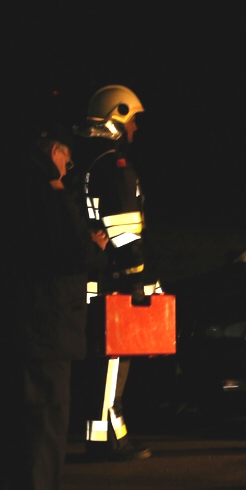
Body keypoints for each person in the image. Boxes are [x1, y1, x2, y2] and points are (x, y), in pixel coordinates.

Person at [0, 135, 106, 490]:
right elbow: (70, 250)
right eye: (66, 162)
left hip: (5, 332)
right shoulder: (48, 192)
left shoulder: (0, 189)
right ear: (54, 152)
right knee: (42, 436)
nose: (67, 170)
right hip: (45, 334)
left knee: (12, 436)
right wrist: (94, 246)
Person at [73, 85, 158, 461]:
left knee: (101, 363)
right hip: (114, 280)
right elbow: (125, 233)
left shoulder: (84, 161)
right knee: (112, 361)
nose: (136, 128)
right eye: (133, 120)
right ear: (116, 119)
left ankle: (103, 436)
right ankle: (108, 441)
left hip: (90, 276)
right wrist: (137, 279)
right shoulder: (115, 166)